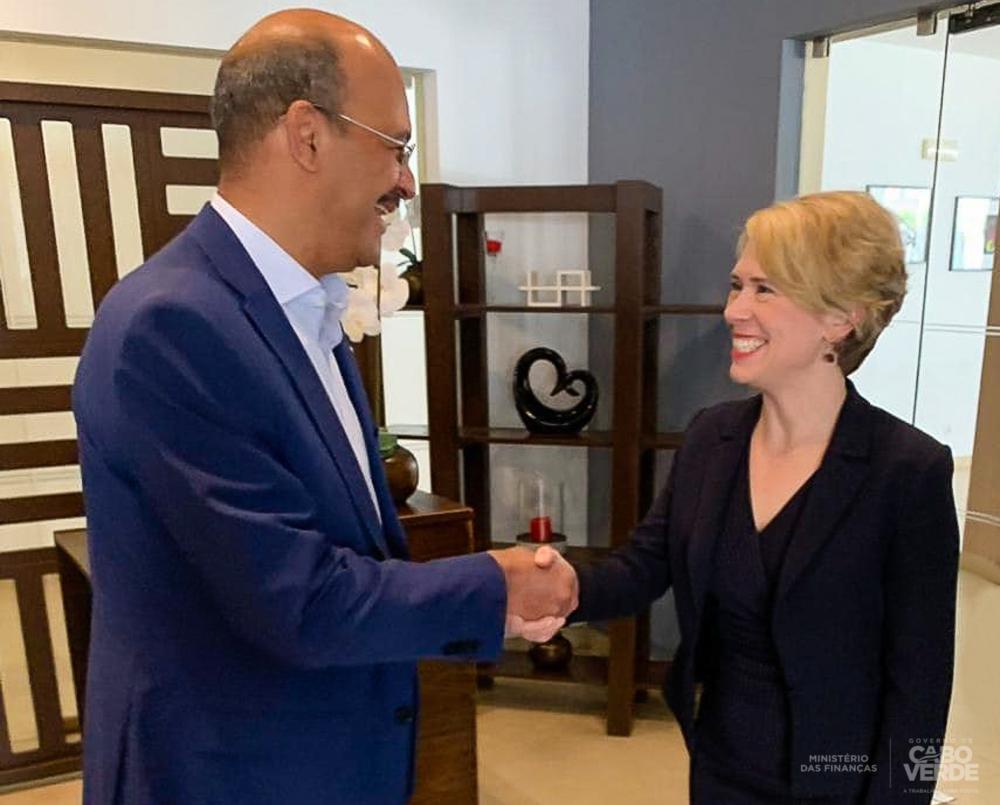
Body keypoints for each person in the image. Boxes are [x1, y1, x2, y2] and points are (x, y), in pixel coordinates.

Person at [72, 10, 574, 804]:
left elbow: (344, 548)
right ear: (307, 135)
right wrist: (494, 585)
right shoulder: (171, 325)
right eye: (397, 147)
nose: (407, 182)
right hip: (229, 774)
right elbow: (296, 598)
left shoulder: (302, 308)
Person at [549, 191, 960, 803]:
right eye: (737, 286)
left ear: (841, 317)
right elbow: (643, 566)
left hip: (837, 784)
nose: (733, 310)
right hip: (720, 765)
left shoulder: (908, 471)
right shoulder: (711, 436)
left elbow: (920, 688)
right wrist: (556, 588)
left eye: (765, 290)